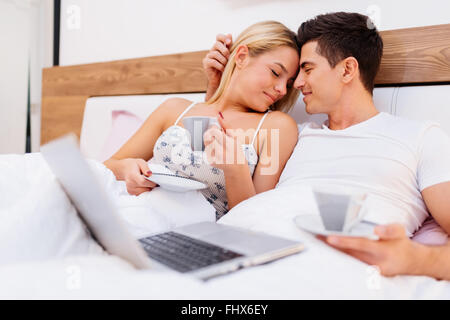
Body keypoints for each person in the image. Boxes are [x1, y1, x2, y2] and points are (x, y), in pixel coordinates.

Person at [203, 12, 450, 278]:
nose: (296, 85)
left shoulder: (420, 138)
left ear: (347, 70)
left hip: (321, 271)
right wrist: (217, 86)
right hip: (233, 252)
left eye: (307, 69)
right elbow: (212, 156)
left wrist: (416, 259)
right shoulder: (290, 135)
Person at [104, 21, 300, 220]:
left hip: (196, 237)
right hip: (137, 212)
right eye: (276, 73)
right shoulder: (175, 109)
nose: (282, 90)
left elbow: (255, 220)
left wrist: (236, 169)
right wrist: (128, 168)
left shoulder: (277, 127)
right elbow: (106, 166)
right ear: (241, 57)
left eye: (289, 84)